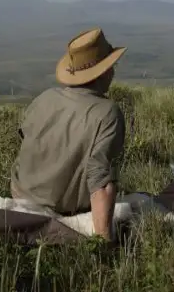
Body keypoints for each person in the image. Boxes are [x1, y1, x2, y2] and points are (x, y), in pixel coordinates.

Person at [9, 27, 127, 241]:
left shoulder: (43, 99)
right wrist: (104, 245)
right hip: (63, 210)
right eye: (112, 66)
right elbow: (100, 181)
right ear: (104, 71)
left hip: (19, 197)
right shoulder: (107, 113)